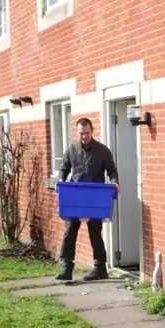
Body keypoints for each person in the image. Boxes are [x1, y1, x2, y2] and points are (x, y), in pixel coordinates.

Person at [55, 118, 120, 281]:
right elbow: (64, 169)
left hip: (94, 198)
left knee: (95, 233)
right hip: (75, 197)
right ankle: (66, 268)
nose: (84, 136)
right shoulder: (72, 150)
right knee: (70, 231)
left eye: (87, 133)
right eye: (81, 133)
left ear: (93, 130)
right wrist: (61, 180)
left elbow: (112, 171)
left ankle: (100, 269)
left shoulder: (102, 151)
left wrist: (114, 182)